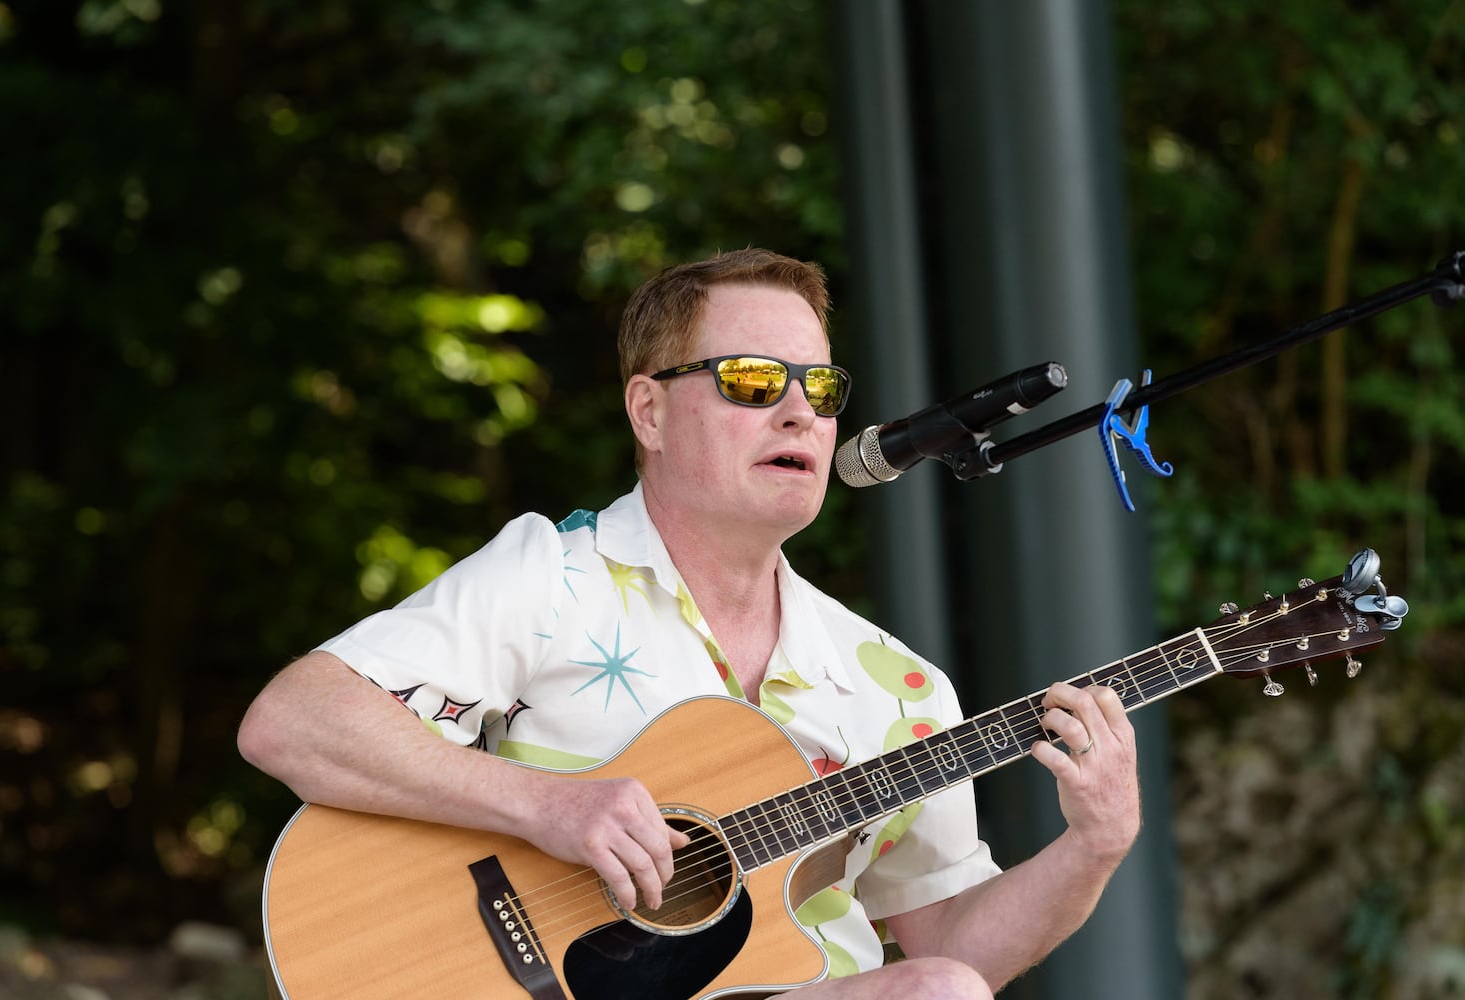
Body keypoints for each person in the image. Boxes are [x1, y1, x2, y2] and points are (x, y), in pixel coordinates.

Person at [237, 248, 1141, 998]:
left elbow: (951, 940)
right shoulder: (554, 577)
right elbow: (292, 721)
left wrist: (1094, 848)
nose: (798, 411)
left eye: (820, 388)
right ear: (650, 411)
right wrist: (546, 804)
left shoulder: (897, 686)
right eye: (751, 380)